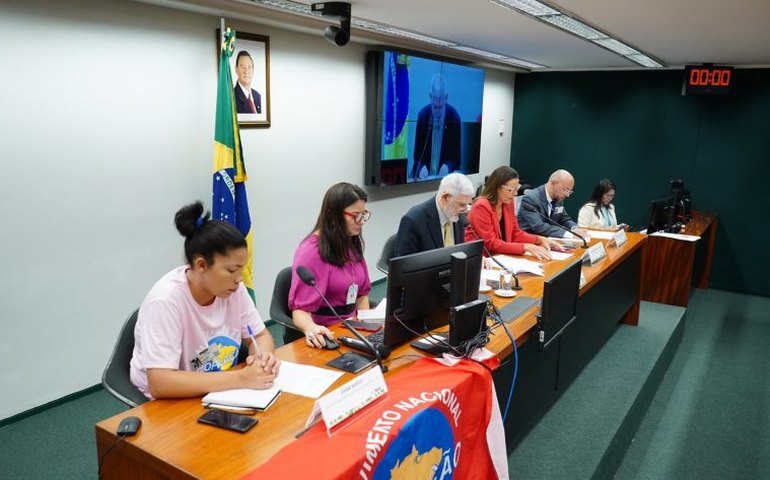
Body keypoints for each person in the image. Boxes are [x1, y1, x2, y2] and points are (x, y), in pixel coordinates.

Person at [130, 202, 279, 400]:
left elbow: (260, 336)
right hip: (166, 403)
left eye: (241, 269)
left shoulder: (234, 289)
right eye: (232, 270)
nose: (240, 278)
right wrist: (241, 378)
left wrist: (264, 359)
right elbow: (160, 382)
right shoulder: (165, 302)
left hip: (217, 389)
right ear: (201, 265)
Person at [289, 183, 372, 349]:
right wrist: (310, 328)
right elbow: (299, 311)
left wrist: (368, 326)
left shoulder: (350, 242)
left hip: (353, 327)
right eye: (356, 215)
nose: (361, 222)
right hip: (329, 333)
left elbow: (362, 295)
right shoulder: (311, 252)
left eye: (364, 215)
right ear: (333, 215)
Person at [465, 166, 562, 260]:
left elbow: (515, 233)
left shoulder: (507, 203)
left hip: (502, 257)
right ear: (497, 188)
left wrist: (540, 239)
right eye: (511, 189)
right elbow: (491, 243)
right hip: (483, 260)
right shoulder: (481, 206)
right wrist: (525, 247)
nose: (515, 193)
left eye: (516, 189)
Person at [394, 173, 475, 257]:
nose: (466, 210)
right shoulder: (413, 221)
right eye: (462, 205)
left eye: (467, 204)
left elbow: (458, 253)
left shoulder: (458, 217)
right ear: (445, 197)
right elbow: (404, 266)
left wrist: (472, 257)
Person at [411, 73, 462, 180]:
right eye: (435, 107)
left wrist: (448, 166)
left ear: (446, 97)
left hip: (445, 180)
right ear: (430, 96)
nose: (437, 112)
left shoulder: (454, 117)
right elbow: (416, 158)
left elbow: (457, 160)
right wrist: (420, 168)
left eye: (440, 107)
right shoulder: (422, 115)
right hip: (424, 179)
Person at [517, 169, 589, 239]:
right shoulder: (531, 199)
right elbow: (539, 227)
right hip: (530, 242)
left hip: (549, 241)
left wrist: (575, 229)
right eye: (565, 190)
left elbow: (564, 219)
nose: (567, 195)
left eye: (569, 191)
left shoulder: (558, 197)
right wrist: (570, 234)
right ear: (553, 183)